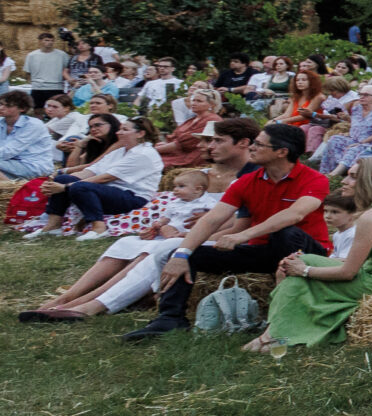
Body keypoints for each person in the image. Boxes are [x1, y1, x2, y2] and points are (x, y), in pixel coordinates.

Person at [124, 122, 332, 342]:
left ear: (282, 152)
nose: (251, 148)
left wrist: (243, 235)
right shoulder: (246, 181)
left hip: (307, 254)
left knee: (286, 233)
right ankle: (170, 318)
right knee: (185, 254)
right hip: (263, 251)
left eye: (259, 144)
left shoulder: (315, 179)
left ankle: (290, 314)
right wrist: (182, 253)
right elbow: (211, 220)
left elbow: (295, 215)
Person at [248, 158, 372, 353]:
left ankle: (272, 336)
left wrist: (305, 271)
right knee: (296, 263)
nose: (343, 181)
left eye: (353, 177)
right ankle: (276, 332)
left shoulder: (371, 217)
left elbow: (348, 273)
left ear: (370, 182)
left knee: (298, 268)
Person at [18, 163, 221, 322]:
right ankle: (68, 297)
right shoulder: (195, 182)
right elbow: (165, 218)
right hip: (168, 235)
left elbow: (221, 222)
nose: (208, 145)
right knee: (126, 243)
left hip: (191, 238)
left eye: (215, 140)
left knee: (153, 252)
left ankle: (91, 303)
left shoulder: (213, 198)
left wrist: (184, 234)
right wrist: (156, 227)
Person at [31, 110, 162, 234]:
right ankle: (53, 225)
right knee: (64, 179)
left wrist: (65, 187)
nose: (119, 132)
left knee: (80, 187)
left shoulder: (143, 154)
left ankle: (99, 227)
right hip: (108, 191)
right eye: (120, 129)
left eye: (125, 130)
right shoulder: (119, 151)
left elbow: (106, 178)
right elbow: (91, 170)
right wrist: (57, 183)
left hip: (132, 197)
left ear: (140, 134)